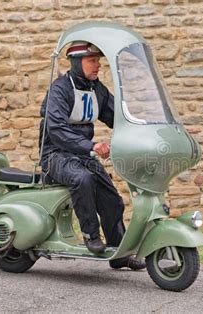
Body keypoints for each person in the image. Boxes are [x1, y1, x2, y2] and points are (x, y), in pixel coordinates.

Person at [39, 41, 146, 270]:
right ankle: (90, 234)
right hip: (55, 154)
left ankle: (119, 253)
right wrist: (92, 145)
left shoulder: (95, 89)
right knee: (82, 179)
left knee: (113, 200)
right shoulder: (60, 90)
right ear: (77, 63)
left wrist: (145, 128)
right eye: (92, 61)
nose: (98, 65)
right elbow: (56, 130)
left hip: (82, 154)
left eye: (98, 60)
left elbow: (116, 116)